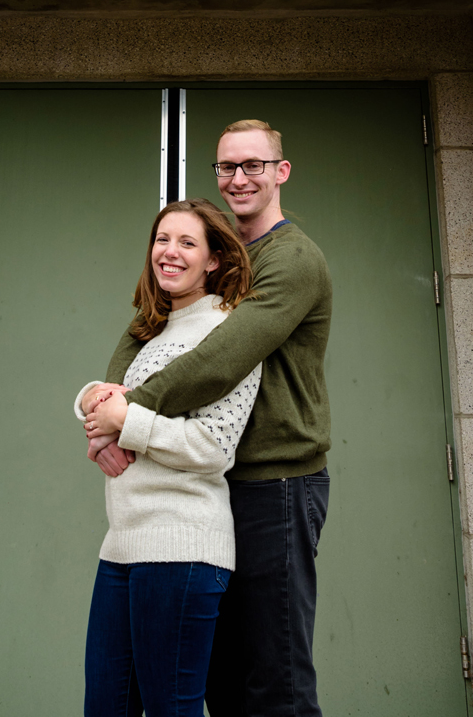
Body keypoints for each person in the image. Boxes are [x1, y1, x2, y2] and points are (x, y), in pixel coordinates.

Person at [83, 119, 335, 717]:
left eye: (253, 165)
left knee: (275, 677)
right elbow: (137, 338)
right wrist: (99, 413)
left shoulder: (291, 259)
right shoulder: (211, 259)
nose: (239, 178)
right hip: (217, 486)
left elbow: (219, 361)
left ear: (281, 171)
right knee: (218, 680)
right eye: (227, 166)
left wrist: (126, 415)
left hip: (278, 482)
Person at [76, 198, 261, 717]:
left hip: (182, 546)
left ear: (214, 260)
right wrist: (91, 405)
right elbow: (111, 394)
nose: (170, 252)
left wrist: (125, 425)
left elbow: (214, 446)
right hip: (121, 545)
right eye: (162, 239)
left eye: (187, 243)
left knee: (169, 711)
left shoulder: (227, 332)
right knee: (104, 708)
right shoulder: (149, 327)